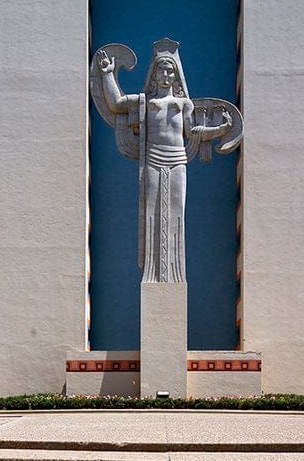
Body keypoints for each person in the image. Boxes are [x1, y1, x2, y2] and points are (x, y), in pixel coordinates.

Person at [97, 39, 231, 283]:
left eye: (170, 70)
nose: (166, 74)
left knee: (176, 212)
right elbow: (116, 104)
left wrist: (221, 129)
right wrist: (107, 74)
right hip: (152, 160)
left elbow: (194, 132)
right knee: (151, 211)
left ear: (176, 75)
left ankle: (174, 272)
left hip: (178, 160)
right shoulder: (144, 103)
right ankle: (152, 271)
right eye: (162, 69)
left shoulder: (184, 104)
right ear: (154, 73)